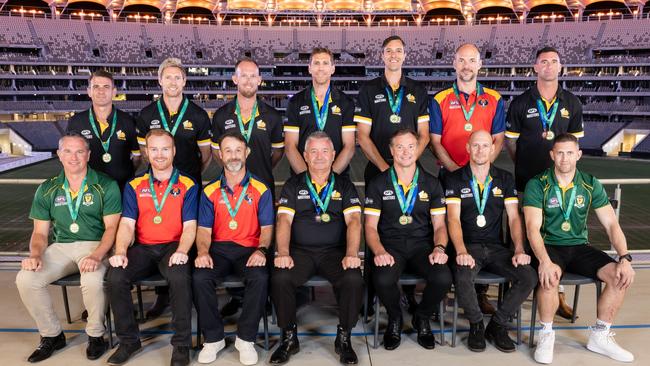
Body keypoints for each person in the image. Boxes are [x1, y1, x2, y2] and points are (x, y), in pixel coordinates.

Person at [524, 134, 634, 364]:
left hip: (579, 246)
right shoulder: (538, 183)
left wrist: (624, 258)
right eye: (560, 153)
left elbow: (611, 224)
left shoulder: (589, 183)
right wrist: (544, 261)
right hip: (549, 246)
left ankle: (600, 335)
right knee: (550, 277)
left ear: (578, 155)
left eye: (570, 153)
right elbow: (532, 228)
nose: (564, 158)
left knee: (618, 275)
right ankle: (546, 334)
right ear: (552, 155)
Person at [16, 132, 121, 362]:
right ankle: (52, 335)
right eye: (68, 151)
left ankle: (96, 335)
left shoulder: (105, 184)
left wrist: (97, 256)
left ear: (88, 155)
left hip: (96, 245)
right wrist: (35, 254)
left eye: (80, 151)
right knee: (26, 279)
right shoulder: (47, 188)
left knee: (91, 279)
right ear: (59, 155)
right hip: (61, 247)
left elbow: (112, 229)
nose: (74, 157)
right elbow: (40, 233)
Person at [270, 131, 363, 365]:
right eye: (314, 151)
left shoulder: (344, 185)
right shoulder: (293, 184)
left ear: (333, 155)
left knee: (353, 278)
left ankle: (344, 338)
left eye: (324, 151)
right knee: (280, 278)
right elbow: (284, 221)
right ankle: (289, 337)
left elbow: (354, 221)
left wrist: (352, 254)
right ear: (305, 156)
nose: (319, 156)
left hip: (335, 252)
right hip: (300, 252)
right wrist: (283, 253)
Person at [506, 46, 585, 319]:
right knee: (523, 238)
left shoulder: (572, 103)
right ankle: (517, 292)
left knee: (557, 238)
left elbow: (574, 145)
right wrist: (527, 164)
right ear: (535, 67)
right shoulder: (520, 102)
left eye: (554, 61)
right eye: (544, 62)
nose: (549, 66)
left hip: (561, 184)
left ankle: (556, 293)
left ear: (560, 67)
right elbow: (511, 144)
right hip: (526, 182)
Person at [106, 129, 198, 366]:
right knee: (115, 276)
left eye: (165, 148)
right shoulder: (135, 184)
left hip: (174, 246)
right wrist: (120, 252)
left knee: (179, 277)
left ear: (174, 151)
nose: (159, 154)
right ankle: (128, 341)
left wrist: (182, 251)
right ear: (146, 152)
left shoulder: (188, 184)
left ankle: (181, 345)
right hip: (144, 247)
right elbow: (127, 224)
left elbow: (190, 226)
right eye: (154, 149)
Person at [355, 35, 430, 315]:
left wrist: (406, 164)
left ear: (405, 55)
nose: (394, 55)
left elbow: (423, 136)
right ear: (382, 56)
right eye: (389, 51)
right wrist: (388, 169)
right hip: (378, 170)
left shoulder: (418, 91)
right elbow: (362, 136)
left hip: (410, 170)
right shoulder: (369, 89)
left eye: (399, 50)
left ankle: (409, 294)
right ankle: (371, 294)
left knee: (411, 227)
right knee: (375, 229)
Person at [429, 43, 506, 315]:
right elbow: (435, 141)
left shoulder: (495, 98)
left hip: (483, 176)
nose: (467, 65)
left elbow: (498, 140)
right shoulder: (439, 99)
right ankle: (444, 286)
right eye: (462, 60)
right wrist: (456, 171)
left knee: (484, 231)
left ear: (479, 65)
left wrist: (480, 169)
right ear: (454, 63)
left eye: (472, 60)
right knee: (444, 228)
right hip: (449, 174)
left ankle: (480, 292)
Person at [443, 130, 537, 353]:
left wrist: (519, 249)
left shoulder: (504, 178)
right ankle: (476, 324)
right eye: (475, 145)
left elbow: (514, 217)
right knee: (463, 276)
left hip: (496, 249)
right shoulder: (454, 178)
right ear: (468, 148)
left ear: (493, 149)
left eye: (485, 146)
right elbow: (453, 219)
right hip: (468, 247)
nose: (480, 150)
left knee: (528, 276)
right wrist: (461, 250)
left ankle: (497, 324)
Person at [136, 57, 212, 318]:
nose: (172, 82)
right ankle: (163, 296)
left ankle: (186, 290)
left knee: (188, 238)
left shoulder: (198, 115)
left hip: (189, 188)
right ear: (160, 80)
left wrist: (188, 179)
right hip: (156, 190)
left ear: (184, 81)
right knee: (160, 236)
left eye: (177, 77)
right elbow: (145, 154)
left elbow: (206, 155)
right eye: (167, 77)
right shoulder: (146, 115)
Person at [364, 128, 452, 351]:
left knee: (443, 277)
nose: (406, 152)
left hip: (422, 246)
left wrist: (439, 247)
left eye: (411, 146)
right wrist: (379, 251)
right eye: (400, 147)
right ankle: (395, 319)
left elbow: (440, 225)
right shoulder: (378, 183)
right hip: (390, 246)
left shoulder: (431, 184)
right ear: (392, 150)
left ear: (418, 149)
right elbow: (370, 227)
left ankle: (421, 318)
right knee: (382, 279)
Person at [193, 131, 274, 366]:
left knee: (259, 276)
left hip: (249, 249)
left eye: (238, 150)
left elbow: (267, 228)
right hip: (218, 249)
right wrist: (203, 252)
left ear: (247, 153)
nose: (233, 155)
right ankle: (214, 338)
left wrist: (261, 250)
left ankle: (245, 339)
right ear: (220, 154)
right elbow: (204, 231)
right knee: (200, 277)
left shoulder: (261, 189)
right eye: (227, 150)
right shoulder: (209, 191)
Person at [210, 57, 283, 316]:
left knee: (263, 242)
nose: (249, 80)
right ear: (235, 79)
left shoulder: (272, 116)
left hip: (261, 189)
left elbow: (276, 154)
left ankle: (264, 297)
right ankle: (239, 296)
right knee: (231, 240)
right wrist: (235, 170)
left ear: (260, 80)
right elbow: (218, 153)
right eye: (244, 75)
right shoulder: (221, 115)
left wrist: (259, 173)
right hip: (231, 189)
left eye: (254, 76)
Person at [285, 47, 356, 177]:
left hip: (337, 180)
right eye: (316, 63)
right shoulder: (296, 102)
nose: (321, 68)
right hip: (302, 180)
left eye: (325, 63)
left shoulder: (346, 102)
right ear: (309, 68)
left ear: (332, 68)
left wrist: (328, 179)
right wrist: (307, 180)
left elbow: (349, 146)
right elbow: (290, 146)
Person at [66, 70, 141, 191]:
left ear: (114, 92)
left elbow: (137, 158)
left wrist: (121, 173)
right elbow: (69, 158)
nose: (101, 91)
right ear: (89, 91)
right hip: (88, 192)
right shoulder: (76, 122)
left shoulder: (128, 121)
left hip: (121, 190)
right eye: (96, 87)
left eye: (106, 87)